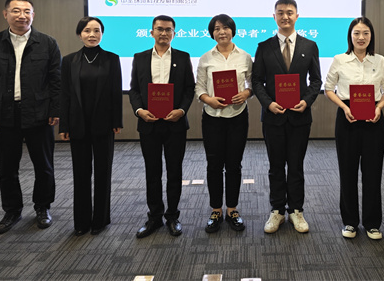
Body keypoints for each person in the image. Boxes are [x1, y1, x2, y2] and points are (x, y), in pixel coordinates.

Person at [0, 0, 61, 234]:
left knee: (44, 166)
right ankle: (12, 210)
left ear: (33, 15)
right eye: (16, 11)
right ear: (6, 14)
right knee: (7, 167)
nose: (21, 16)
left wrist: (55, 110)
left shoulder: (47, 43)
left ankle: (43, 207)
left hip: (39, 114)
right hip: (4, 115)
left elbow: (56, 80)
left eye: (26, 11)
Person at [252, 0, 322, 234]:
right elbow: (257, 81)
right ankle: (277, 211)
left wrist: (307, 101)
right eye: (280, 13)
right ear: (274, 17)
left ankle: (296, 210)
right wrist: (268, 104)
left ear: (297, 16)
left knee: (296, 166)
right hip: (273, 117)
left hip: (299, 117)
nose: (285, 17)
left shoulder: (309, 46)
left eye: (289, 13)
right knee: (275, 166)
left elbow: (316, 80)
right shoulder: (264, 46)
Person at [325, 17, 384, 240]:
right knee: (348, 172)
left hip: (374, 119)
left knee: (373, 173)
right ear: (350, 36)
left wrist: (379, 107)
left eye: (365, 33)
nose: (361, 37)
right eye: (356, 33)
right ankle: (350, 222)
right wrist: (345, 107)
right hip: (348, 119)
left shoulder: (380, 61)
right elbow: (329, 88)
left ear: (371, 36)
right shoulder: (340, 59)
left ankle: (372, 223)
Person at [129, 15, 195, 238]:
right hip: (148, 124)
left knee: (174, 171)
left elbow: (189, 89)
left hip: (175, 123)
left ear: (174, 33)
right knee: (152, 171)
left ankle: (173, 216)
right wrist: (139, 110)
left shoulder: (183, 57)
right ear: (151, 32)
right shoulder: (139, 58)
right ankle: (154, 217)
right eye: (159, 29)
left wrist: (181, 110)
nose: (164, 33)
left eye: (168, 30)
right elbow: (134, 89)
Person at [59, 17, 123, 236]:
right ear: (80, 34)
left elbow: (116, 92)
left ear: (102, 34)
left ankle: (100, 219)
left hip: (104, 124)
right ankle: (81, 221)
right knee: (81, 173)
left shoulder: (112, 59)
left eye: (97, 31)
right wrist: (64, 125)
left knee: (103, 172)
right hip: (77, 124)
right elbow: (65, 95)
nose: (92, 35)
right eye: (87, 30)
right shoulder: (69, 61)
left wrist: (117, 121)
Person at [195, 14, 253, 233]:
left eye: (226, 27)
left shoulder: (245, 56)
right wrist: (208, 99)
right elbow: (199, 87)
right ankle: (216, 210)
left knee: (234, 165)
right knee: (214, 165)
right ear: (212, 33)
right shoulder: (206, 58)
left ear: (233, 31)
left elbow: (252, 83)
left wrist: (246, 93)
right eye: (217, 28)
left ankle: (232, 209)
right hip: (212, 118)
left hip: (237, 117)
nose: (222, 32)